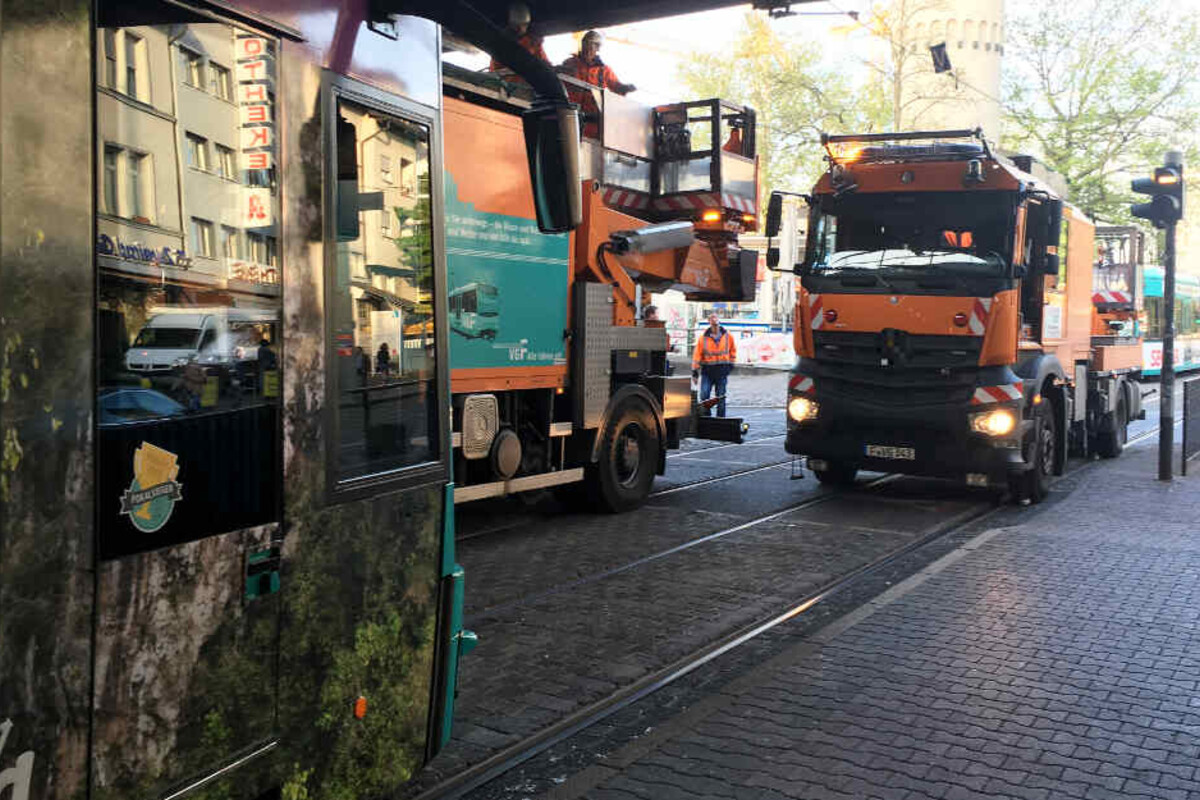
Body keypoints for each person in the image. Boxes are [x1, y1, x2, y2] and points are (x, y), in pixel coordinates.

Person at [559, 31, 635, 138]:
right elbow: (558, 84)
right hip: (569, 117)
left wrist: (625, 88)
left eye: (591, 45)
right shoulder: (570, 63)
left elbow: (616, 87)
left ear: (598, 48)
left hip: (591, 124)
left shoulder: (604, 71)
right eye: (585, 44)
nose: (587, 48)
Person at [692, 313, 737, 417]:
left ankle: (720, 420)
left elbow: (733, 351)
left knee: (721, 397)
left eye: (716, 319)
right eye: (712, 320)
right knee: (704, 397)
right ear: (709, 322)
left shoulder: (728, 336)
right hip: (707, 372)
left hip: (721, 371)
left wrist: (730, 365)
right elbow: (697, 355)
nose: (715, 323)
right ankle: (707, 418)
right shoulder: (703, 338)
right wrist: (695, 372)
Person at [488, 2, 548, 72]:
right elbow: (496, 70)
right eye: (516, 25)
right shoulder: (501, 43)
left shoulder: (534, 41)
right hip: (507, 80)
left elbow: (545, 64)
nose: (521, 29)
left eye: (524, 25)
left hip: (531, 80)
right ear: (509, 24)